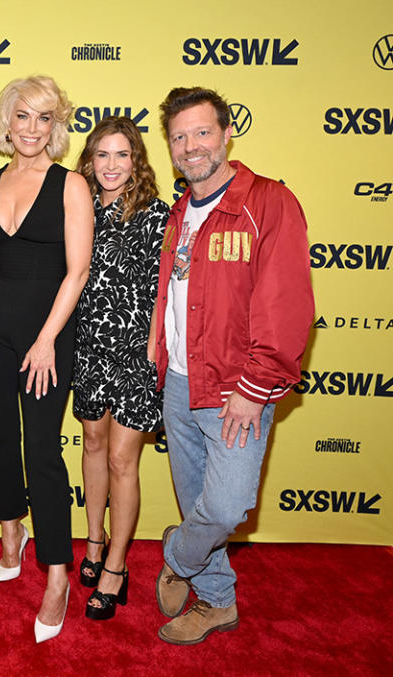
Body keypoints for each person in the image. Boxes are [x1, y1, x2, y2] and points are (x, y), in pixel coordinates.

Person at [153, 87, 314, 645]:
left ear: (226, 135)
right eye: (180, 137)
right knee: (198, 495)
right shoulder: (179, 211)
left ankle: (178, 555)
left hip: (235, 390)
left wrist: (253, 388)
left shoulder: (267, 202)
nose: (191, 146)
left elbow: (286, 306)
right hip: (177, 385)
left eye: (202, 133)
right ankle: (218, 600)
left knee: (223, 509)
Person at [0, 76, 93, 642]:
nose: (32, 129)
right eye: (23, 116)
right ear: (7, 121)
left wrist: (46, 340)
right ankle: (11, 526)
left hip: (49, 331)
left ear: (56, 127)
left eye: (45, 119)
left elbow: (79, 270)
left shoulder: (71, 186)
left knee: (43, 449)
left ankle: (58, 573)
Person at [71, 116, 169, 621]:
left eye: (122, 155)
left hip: (136, 354)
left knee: (122, 461)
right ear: (90, 160)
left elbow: (166, 290)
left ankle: (116, 566)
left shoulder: (157, 215)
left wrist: (154, 352)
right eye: (102, 155)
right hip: (88, 347)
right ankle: (93, 540)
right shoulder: (78, 207)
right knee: (92, 444)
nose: (111, 165)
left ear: (136, 161)